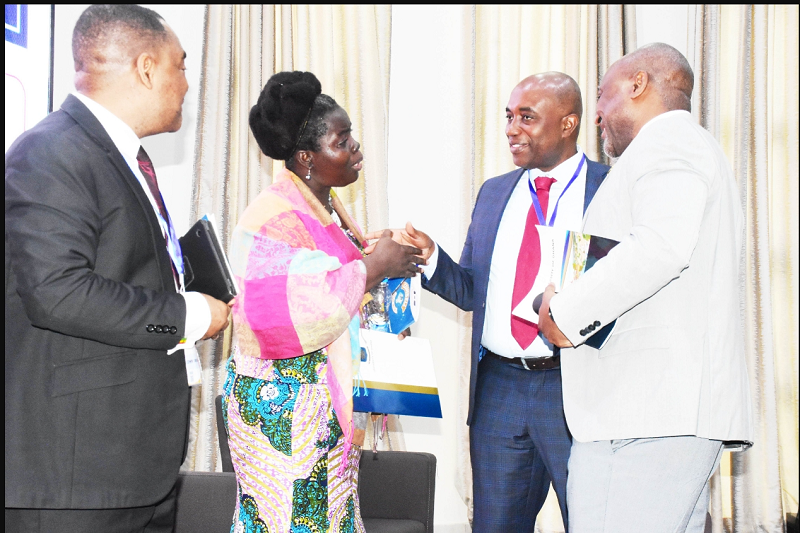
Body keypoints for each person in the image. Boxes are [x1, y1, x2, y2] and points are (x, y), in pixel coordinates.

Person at [5, 4, 231, 532]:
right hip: (74, 481)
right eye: (180, 65)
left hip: (131, 470)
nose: (186, 84)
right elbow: (58, 293)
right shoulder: (52, 151)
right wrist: (187, 316)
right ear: (147, 68)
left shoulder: (117, 157)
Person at [370, 72, 609, 532]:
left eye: (527, 117)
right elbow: (470, 289)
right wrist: (431, 256)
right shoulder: (496, 192)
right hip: (499, 389)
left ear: (568, 123)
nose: (511, 129)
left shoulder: (608, 189)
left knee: (592, 520)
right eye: (508, 116)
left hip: (576, 386)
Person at [538, 43, 753, 532]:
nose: (596, 113)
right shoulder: (679, 150)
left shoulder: (669, 142)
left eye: (601, 94)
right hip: (656, 414)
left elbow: (660, 246)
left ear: (638, 85)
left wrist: (564, 315)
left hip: (646, 417)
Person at [224, 71, 422, 533]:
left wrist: (383, 263)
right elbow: (295, 310)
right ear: (307, 158)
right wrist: (374, 268)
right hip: (284, 423)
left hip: (322, 419)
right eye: (343, 139)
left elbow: (338, 281)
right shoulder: (271, 218)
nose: (357, 148)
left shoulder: (326, 207)